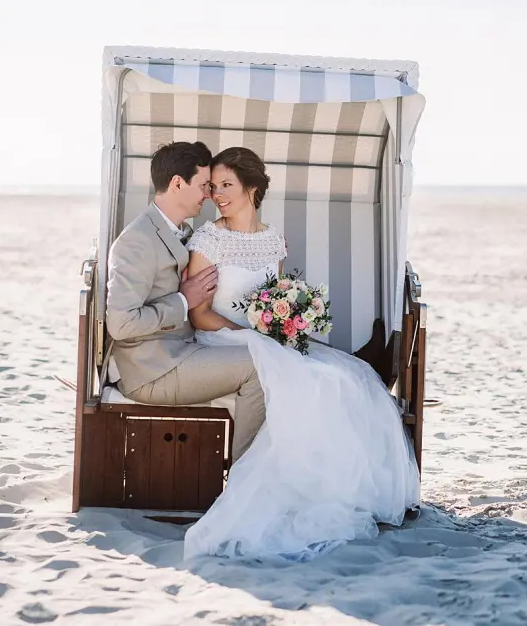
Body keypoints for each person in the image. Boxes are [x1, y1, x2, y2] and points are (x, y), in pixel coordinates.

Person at [182, 146, 419, 561]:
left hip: (266, 338)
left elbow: (272, 296)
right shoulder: (208, 238)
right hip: (223, 338)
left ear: (251, 188)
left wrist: (287, 321)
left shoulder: (273, 239)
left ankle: (335, 491)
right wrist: (251, 334)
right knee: (315, 380)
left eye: (227, 185)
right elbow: (198, 313)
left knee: (349, 377)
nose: (217, 194)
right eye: (214, 186)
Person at [104, 141, 266, 462]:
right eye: (203, 185)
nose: (208, 194)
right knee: (259, 368)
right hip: (151, 369)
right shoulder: (137, 241)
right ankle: (244, 477)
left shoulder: (178, 230)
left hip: (182, 350)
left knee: (269, 354)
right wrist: (183, 300)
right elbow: (121, 324)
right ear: (178, 183)